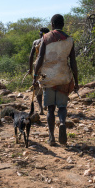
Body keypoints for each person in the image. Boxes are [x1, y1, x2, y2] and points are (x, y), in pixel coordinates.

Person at [33, 14, 79, 146]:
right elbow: (73, 62)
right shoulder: (70, 40)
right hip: (64, 77)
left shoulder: (45, 38)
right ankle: (63, 123)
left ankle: (52, 137)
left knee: (51, 109)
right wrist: (76, 81)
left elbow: (40, 58)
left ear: (52, 24)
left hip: (48, 78)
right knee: (62, 107)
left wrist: (35, 76)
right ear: (63, 24)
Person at [29, 27, 50, 115]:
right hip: (48, 65)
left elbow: (31, 56)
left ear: (40, 33)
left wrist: (30, 69)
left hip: (37, 66)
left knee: (37, 86)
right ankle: (46, 104)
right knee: (48, 84)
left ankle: (41, 108)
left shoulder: (36, 42)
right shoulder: (50, 41)